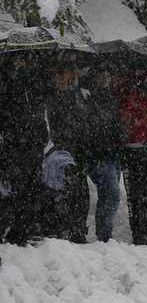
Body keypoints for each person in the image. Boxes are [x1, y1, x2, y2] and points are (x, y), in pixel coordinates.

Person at [0, 51, 50, 244]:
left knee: (33, 189)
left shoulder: (31, 78)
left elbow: (37, 109)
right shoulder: (5, 78)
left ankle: (21, 230)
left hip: (33, 142)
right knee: (13, 189)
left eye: (25, 58)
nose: (22, 61)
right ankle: (8, 230)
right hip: (13, 143)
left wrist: (42, 133)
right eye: (18, 58)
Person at [45, 51, 94, 242]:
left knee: (80, 191)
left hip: (76, 151)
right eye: (60, 78)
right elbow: (53, 127)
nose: (63, 81)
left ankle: (78, 228)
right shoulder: (51, 99)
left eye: (66, 78)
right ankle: (61, 227)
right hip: (57, 152)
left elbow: (84, 124)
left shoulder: (78, 97)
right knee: (58, 191)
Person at [83, 59, 126, 242]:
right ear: (95, 78)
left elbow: (118, 126)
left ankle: (104, 234)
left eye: (107, 76)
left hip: (114, 154)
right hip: (99, 155)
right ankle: (104, 236)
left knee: (108, 196)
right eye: (101, 76)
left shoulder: (114, 98)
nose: (104, 80)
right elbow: (87, 127)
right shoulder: (88, 98)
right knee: (111, 195)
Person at [119, 67, 147, 245]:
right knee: (136, 193)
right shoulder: (123, 80)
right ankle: (138, 233)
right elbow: (123, 112)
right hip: (132, 147)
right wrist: (133, 91)